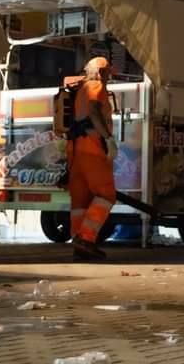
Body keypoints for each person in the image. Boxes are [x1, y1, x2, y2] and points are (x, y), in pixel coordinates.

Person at [68, 56, 119, 260]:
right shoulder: (96, 86)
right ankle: (86, 239)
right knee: (107, 195)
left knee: (81, 201)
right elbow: (94, 111)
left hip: (76, 150)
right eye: (107, 73)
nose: (108, 77)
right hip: (92, 147)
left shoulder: (80, 89)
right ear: (100, 72)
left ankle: (78, 243)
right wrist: (108, 138)